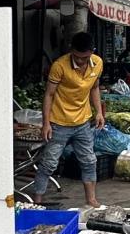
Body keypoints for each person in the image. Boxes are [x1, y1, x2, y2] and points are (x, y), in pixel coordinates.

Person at [33, 30, 105, 205]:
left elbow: (94, 88)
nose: (80, 61)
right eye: (77, 57)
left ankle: (92, 199)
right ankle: (36, 200)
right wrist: (46, 123)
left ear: (92, 52)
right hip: (59, 123)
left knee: (89, 161)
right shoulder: (59, 66)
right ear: (71, 50)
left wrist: (99, 113)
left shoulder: (97, 63)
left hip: (83, 123)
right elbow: (49, 94)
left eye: (85, 57)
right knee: (49, 163)